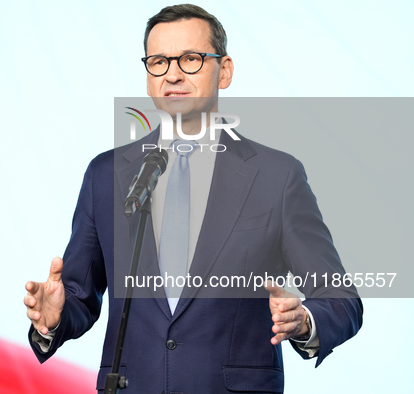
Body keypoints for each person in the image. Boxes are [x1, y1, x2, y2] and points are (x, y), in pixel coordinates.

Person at [24, 4, 363, 393]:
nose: (172, 73)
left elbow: (341, 299)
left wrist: (304, 320)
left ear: (226, 70)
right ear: (148, 78)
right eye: (159, 61)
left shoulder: (277, 176)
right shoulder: (107, 175)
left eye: (190, 58)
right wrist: (54, 316)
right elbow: (80, 295)